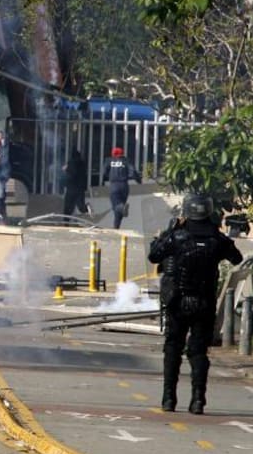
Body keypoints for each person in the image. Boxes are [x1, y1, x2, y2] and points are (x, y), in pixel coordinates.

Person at [148, 194, 242, 414]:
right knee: (199, 352)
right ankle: (198, 399)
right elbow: (236, 258)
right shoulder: (217, 239)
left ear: (187, 211)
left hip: (178, 301)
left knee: (173, 348)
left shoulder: (178, 236)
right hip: (204, 301)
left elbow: (154, 256)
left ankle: (168, 398)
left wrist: (170, 231)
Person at [101, 147, 141, 229]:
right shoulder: (126, 161)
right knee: (120, 208)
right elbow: (133, 171)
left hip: (114, 185)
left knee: (116, 205)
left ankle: (122, 209)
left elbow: (104, 172)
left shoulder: (109, 160)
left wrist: (105, 178)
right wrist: (138, 180)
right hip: (124, 186)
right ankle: (116, 226)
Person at [61, 149, 89, 216]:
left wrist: (66, 169)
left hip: (72, 188)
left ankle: (66, 223)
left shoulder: (71, 162)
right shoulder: (82, 164)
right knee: (81, 206)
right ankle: (86, 208)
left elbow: (72, 173)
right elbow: (84, 176)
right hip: (80, 188)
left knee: (68, 207)